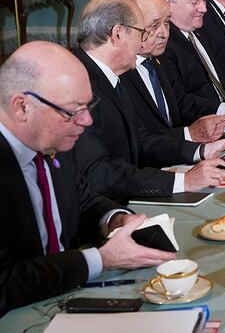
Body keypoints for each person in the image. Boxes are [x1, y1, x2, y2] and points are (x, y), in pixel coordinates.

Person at [0, 42, 175, 316]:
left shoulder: (51, 141)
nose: (87, 121)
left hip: (69, 301)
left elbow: (81, 200)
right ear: (22, 107)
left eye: (88, 106)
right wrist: (101, 259)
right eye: (73, 111)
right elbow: (4, 283)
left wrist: (116, 220)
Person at [66, 0, 225, 203]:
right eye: (141, 32)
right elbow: (99, 173)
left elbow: (142, 140)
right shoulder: (77, 83)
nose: (143, 41)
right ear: (117, 35)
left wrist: (202, 151)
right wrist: (183, 181)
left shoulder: (112, 75)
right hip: (105, 210)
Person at [121, 0, 225, 150]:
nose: (164, 33)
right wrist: (190, 136)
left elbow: (180, 103)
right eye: (154, 25)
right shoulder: (119, 73)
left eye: (166, 22)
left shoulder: (159, 58)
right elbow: (137, 142)